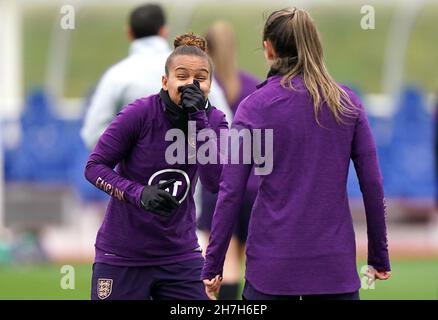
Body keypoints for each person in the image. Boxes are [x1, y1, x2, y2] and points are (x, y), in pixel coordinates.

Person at [202, 7, 391, 300]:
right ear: (316, 45)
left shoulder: (255, 106)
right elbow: (373, 185)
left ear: (269, 48)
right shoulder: (348, 104)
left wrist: (213, 265)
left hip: (271, 271)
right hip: (334, 270)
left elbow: (230, 191)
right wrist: (379, 255)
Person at [84, 33, 228, 300]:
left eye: (200, 78)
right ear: (165, 81)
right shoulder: (138, 114)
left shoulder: (214, 120)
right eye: (182, 76)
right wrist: (138, 194)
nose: (191, 84)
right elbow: (94, 167)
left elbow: (214, 181)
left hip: (180, 255)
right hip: (122, 254)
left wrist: (197, 117)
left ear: (210, 84)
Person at [80, 3, 231, 150]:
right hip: (190, 170)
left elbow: (92, 134)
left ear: (129, 32)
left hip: (135, 173)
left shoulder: (116, 76)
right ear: (164, 31)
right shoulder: (194, 67)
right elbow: (225, 124)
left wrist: (131, 156)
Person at [197, 21, 260, 300]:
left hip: (219, 184)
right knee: (243, 262)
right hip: (253, 183)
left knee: (221, 263)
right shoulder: (253, 85)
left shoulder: (204, 87)